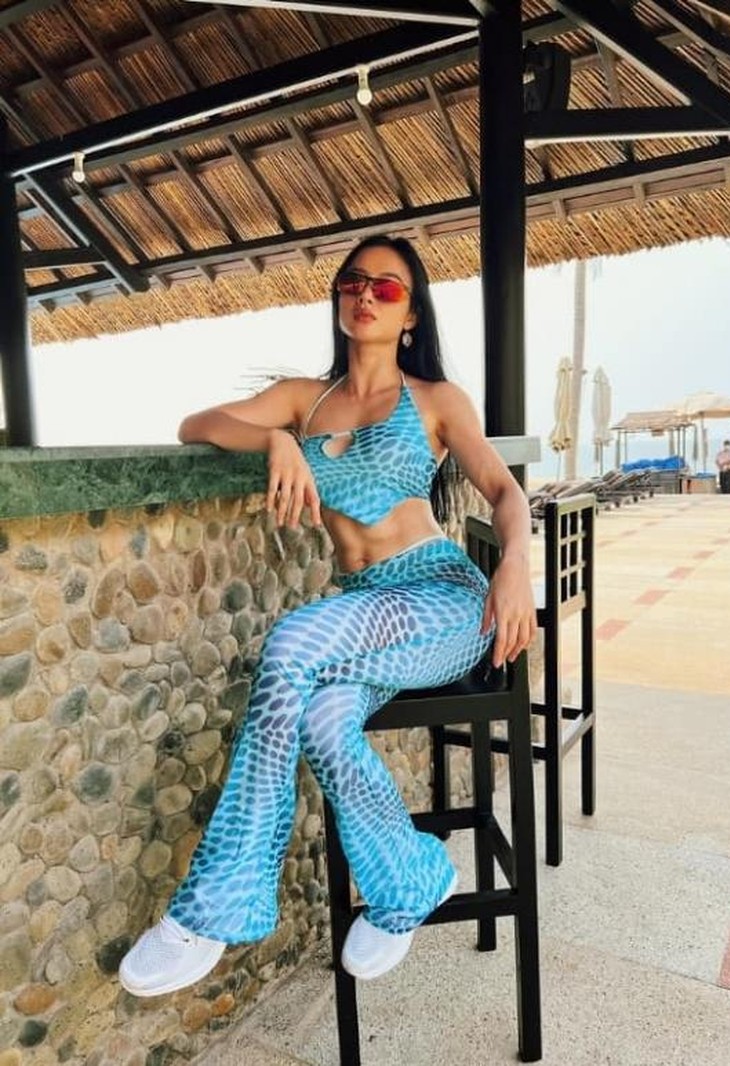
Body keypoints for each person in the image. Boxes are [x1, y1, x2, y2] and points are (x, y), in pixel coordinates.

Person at [118, 234, 536, 997]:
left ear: (411, 315)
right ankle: (409, 881)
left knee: (291, 642)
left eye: (388, 287)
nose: (366, 295)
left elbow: (505, 492)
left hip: (442, 600)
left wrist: (513, 565)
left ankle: (214, 906)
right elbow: (196, 424)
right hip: (367, 607)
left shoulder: (435, 400)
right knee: (320, 719)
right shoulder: (302, 399)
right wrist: (279, 438)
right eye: (353, 282)